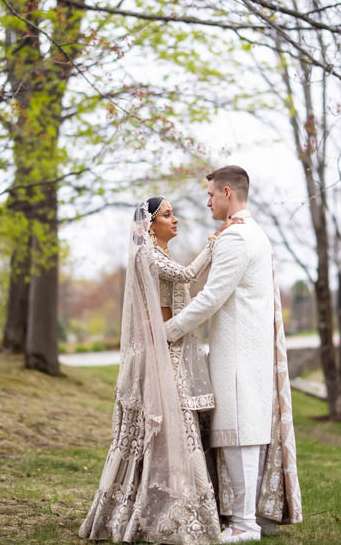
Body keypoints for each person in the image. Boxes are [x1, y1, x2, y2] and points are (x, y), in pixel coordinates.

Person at [79, 196, 239, 544]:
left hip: (169, 349)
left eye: (173, 214)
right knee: (163, 427)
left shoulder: (158, 253)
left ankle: (163, 508)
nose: (176, 220)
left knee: (174, 426)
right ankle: (149, 513)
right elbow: (187, 275)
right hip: (157, 355)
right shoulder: (146, 254)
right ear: (150, 225)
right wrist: (214, 242)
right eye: (168, 215)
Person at [163, 166, 302, 543]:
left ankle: (245, 524)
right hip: (249, 349)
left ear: (228, 192)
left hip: (239, 353)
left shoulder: (237, 239)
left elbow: (211, 297)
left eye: (211, 194)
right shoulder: (250, 234)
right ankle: (249, 517)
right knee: (243, 432)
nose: (207, 201)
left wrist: (169, 331)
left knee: (239, 433)